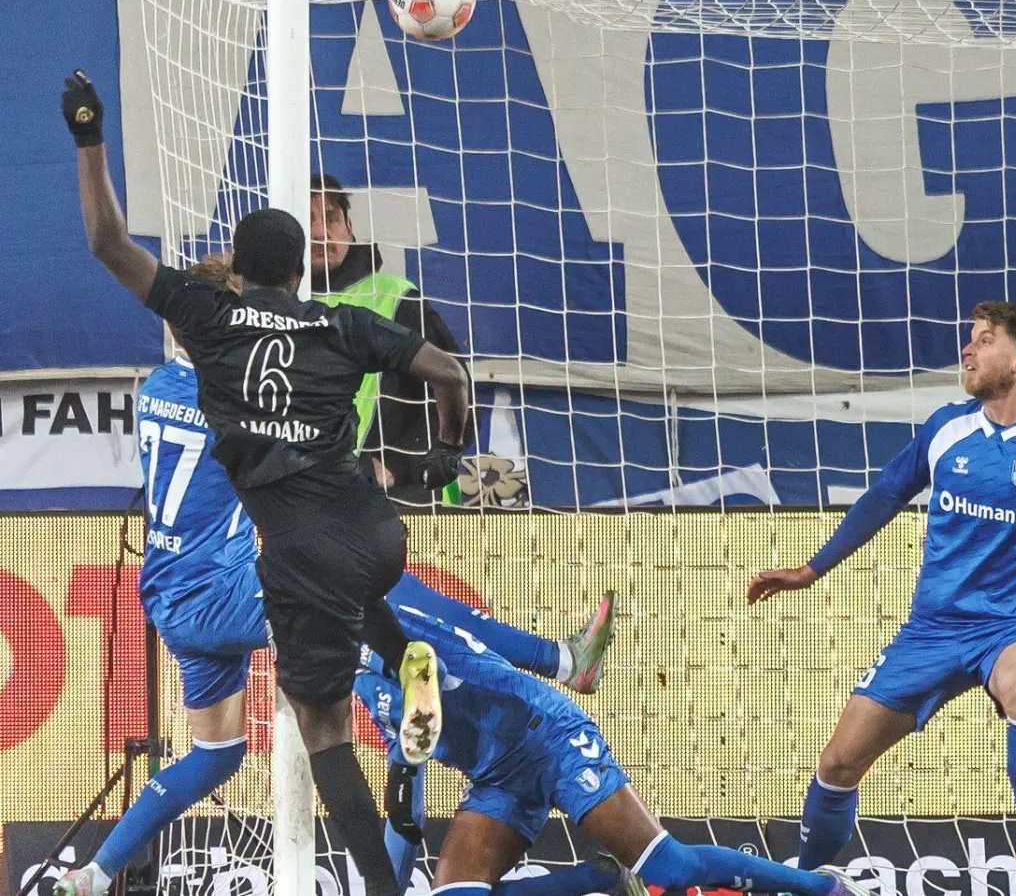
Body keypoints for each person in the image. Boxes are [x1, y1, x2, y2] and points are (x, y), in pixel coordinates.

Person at [64, 68, 465, 896]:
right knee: (364, 611)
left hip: (212, 579)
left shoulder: (187, 359)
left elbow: (110, 246)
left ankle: (381, 871)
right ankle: (415, 674)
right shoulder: (340, 321)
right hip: (359, 536)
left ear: (231, 277)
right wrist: (443, 462)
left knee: (287, 736)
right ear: (303, 271)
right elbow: (447, 369)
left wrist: (89, 137)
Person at [50, 348, 615, 896]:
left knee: (216, 755)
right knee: (371, 630)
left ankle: (94, 875)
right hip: (225, 589)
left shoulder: (158, 386)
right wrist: (418, 470)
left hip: (170, 594)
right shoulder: (237, 400)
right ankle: (514, 672)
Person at [746, 301, 1016, 896]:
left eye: (984, 340)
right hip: (932, 630)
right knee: (837, 765)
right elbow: (885, 496)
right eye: (970, 340)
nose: (967, 351)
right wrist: (812, 569)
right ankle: (803, 878)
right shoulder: (946, 428)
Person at [361, 607, 874, 896]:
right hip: (495, 777)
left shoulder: (374, 618)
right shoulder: (349, 686)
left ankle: (823, 887)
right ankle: (601, 877)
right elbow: (408, 789)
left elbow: (431, 666)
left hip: (549, 736)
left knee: (670, 870)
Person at [309, 173, 471, 503]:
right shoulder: (276, 305)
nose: (320, 233)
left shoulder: (396, 297)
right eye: (307, 220)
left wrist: (403, 466)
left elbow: (458, 384)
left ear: (349, 227)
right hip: (307, 500)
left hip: (393, 504)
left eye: (331, 218)